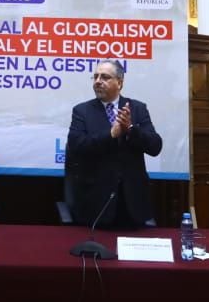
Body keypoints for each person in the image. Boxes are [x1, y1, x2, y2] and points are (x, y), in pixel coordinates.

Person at [66, 59, 163, 229]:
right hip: (95, 201)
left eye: (104, 77)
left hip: (132, 202)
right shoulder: (82, 111)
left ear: (119, 82)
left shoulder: (137, 109)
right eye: (95, 77)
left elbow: (155, 146)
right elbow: (77, 146)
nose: (97, 81)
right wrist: (111, 134)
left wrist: (131, 129)